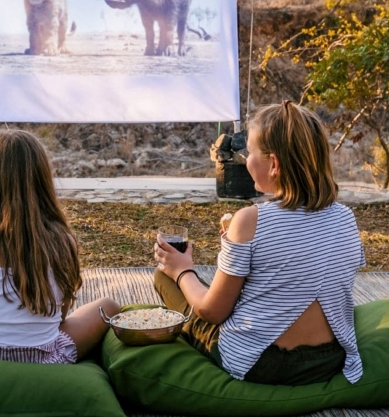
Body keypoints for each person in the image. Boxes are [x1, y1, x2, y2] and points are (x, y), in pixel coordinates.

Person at [152, 101, 366, 386]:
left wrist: (182, 270)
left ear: (274, 164)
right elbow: (301, 270)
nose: (245, 160)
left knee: (166, 276)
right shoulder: (345, 217)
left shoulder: (250, 220)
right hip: (328, 360)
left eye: (249, 153)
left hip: (263, 363)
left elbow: (213, 312)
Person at [0, 129, 120, 363]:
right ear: (42, 178)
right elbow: (59, 317)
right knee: (108, 306)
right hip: (42, 361)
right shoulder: (64, 241)